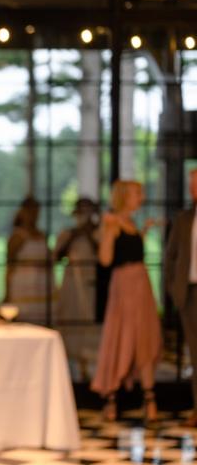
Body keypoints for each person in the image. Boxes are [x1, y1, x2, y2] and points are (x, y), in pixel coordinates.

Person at [92, 180, 162, 422]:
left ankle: (149, 398)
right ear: (124, 197)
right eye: (137, 194)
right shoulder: (112, 223)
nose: (141, 198)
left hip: (142, 287)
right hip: (124, 288)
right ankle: (111, 397)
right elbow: (105, 259)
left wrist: (144, 231)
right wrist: (107, 231)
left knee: (144, 339)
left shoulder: (131, 223)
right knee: (121, 337)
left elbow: (132, 250)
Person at [54, 198, 101, 380]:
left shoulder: (99, 233)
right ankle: (72, 369)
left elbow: (104, 257)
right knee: (71, 322)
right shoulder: (68, 234)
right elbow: (57, 256)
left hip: (92, 285)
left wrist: (88, 234)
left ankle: (91, 369)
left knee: (90, 323)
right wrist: (74, 235)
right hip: (72, 285)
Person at [166, 169, 197, 426]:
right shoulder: (184, 219)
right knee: (194, 354)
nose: (193, 189)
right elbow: (170, 257)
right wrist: (173, 288)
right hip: (189, 293)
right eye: (191, 184)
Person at [5, 196, 51, 324]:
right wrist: (7, 293)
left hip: (42, 287)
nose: (34, 215)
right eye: (30, 211)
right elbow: (10, 266)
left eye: (36, 211)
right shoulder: (17, 237)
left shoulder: (42, 235)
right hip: (23, 287)